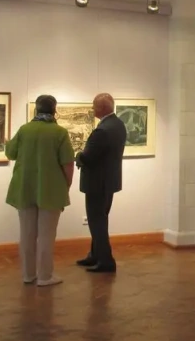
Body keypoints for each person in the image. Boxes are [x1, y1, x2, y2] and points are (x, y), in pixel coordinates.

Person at [5, 95, 75, 287]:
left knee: (26, 234)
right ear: (54, 109)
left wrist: (6, 142)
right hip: (51, 190)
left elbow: (10, 153)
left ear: (36, 109)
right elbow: (68, 163)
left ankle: (28, 274)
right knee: (46, 235)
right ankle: (45, 276)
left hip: (24, 188)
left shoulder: (24, 130)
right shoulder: (59, 132)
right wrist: (66, 185)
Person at [75, 93, 127, 273]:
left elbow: (88, 157)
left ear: (102, 108)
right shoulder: (118, 124)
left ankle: (105, 260)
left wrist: (78, 156)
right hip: (108, 182)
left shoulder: (103, 130)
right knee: (100, 220)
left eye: (94, 106)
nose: (92, 109)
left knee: (97, 222)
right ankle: (95, 255)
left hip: (97, 183)